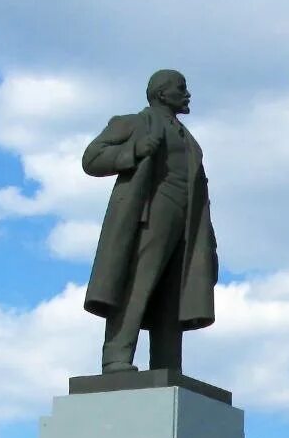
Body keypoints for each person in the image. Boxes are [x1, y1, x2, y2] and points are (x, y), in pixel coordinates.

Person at [79, 70, 219, 373]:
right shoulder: (134, 123)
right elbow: (91, 158)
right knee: (137, 283)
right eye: (181, 88)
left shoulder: (189, 139)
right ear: (161, 93)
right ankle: (116, 356)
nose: (187, 94)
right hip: (151, 214)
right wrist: (133, 152)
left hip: (186, 220)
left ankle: (167, 364)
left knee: (173, 293)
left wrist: (207, 236)